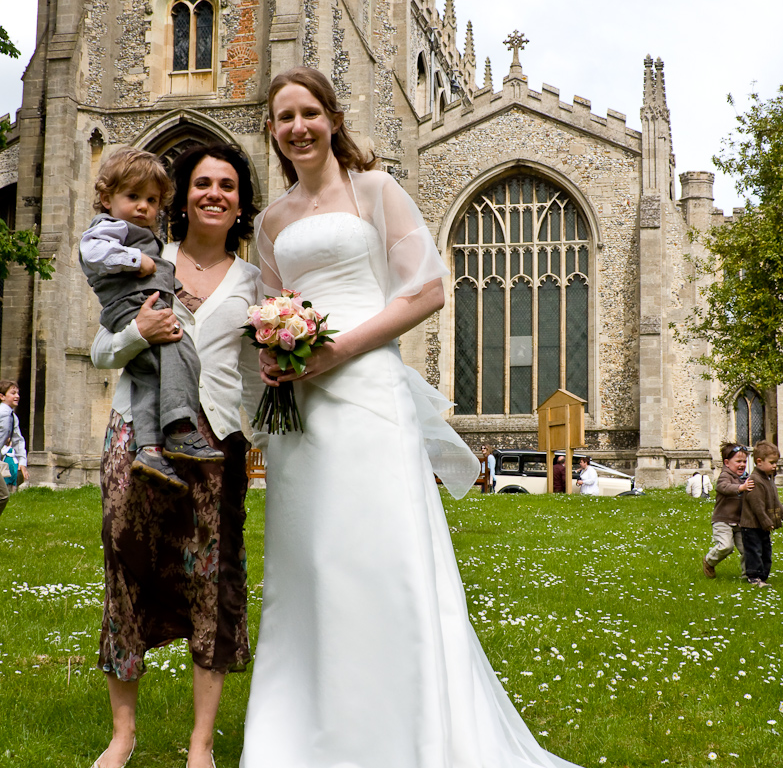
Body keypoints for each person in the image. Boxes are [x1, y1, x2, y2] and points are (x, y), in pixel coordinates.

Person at [241, 66, 580, 768]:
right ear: (272, 132)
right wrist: (275, 355)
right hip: (303, 414)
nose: (297, 126)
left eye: (308, 112)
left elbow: (425, 289)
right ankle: (303, 737)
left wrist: (336, 351)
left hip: (366, 393)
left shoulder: (375, 191)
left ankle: (409, 733)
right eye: (283, 118)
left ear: (332, 117)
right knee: (310, 565)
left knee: (380, 556)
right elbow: (269, 309)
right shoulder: (271, 220)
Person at [89, 143, 263, 768]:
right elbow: (100, 350)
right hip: (134, 441)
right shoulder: (142, 260)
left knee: (211, 588)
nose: (213, 193)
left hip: (216, 447)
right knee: (127, 575)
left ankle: (200, 744)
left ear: (241, 202)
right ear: (181, 198)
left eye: (227, 185)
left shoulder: (255, 282)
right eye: (201, 183)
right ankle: (123, 735)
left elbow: (254, 377)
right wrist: (141, 333)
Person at [80, 147, 223, 492]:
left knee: (148, 378)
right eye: (133, 197)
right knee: (181, 349)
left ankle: (148, 450)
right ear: (105, 197)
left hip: (139, 303)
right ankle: (179, 429)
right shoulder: (112, 228)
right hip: (130, 309)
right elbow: (91, 251)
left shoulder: (146, 238)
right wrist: (135, 260)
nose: (144, 207)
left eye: (152, 200)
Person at [740, 440, 783, 587]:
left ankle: (762, 576)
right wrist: (766, 521)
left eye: (776, 462)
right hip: (752, 525)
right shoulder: (755, 480)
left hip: (761, 525)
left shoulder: (768, 479)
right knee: (754, 551)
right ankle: (754, 577)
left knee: (766, 551)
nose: (775, 466)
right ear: (759, 461)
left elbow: (773, 501)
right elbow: (757, 506)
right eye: (772, 462)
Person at [702, 443, 751, 580]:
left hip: (740, 522)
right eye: (738, 461)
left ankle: (747, 575)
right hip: (722, 520)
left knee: (748, 550)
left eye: (744, 461)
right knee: (726, 546)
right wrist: (741, 488)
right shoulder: (725, 476)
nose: (742, 464)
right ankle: (709, 561)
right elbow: (724, 487)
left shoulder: (746, 478)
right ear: (727, 463)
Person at [0, 380, 28, 515]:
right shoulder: (2, 412)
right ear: (2, 396)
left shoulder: (13, 417)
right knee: (3, 496)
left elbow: (18, 440)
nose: (17, 396)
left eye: (17, 393)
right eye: (13, 393)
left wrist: (22, 462)